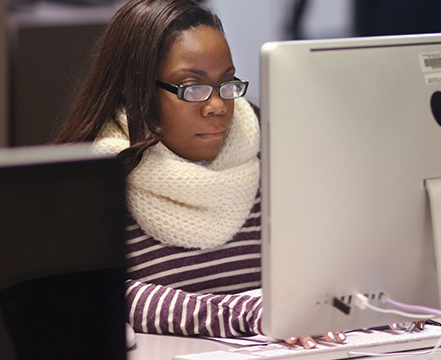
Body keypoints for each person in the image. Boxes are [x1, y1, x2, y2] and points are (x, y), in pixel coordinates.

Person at [52, 0, 333, 349]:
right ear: (135, 89)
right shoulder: (98, 176)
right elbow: (105, 292)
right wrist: (252, 314)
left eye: (227, 84)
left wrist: (366, 303)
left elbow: (319, 263)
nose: (217, 105)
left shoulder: (265, 154)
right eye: (192, 87)